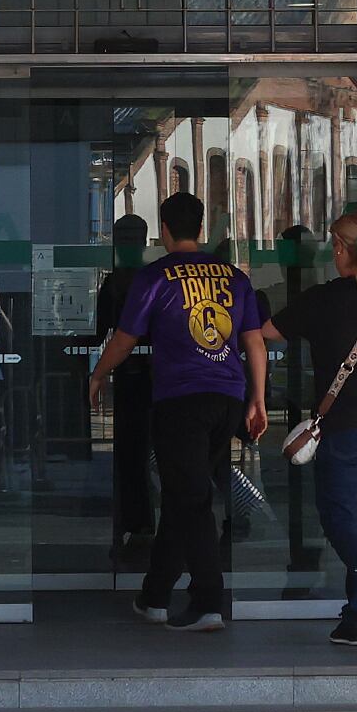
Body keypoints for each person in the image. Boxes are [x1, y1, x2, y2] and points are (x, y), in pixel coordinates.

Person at [87, 192, 266, 632]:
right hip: (227, 397)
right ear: (200, 229)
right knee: (183, 495)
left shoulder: (154, 277)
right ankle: (155, 595)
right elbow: (254, 342)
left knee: (191, 499)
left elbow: (125, 339)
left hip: (180, 400)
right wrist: (257, 399)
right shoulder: (232, 277)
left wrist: (97, 374)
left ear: (164, 230)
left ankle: (207, 601)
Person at [267, 209, 357, 648]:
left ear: (340, 249)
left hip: (349, 427)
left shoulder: (322, 299)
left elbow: (267, 333)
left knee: (336, 518)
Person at [94, 213, 156, 562]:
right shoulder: (142, 280)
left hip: (139, 378)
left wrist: (96, 371)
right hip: (143, 379)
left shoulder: (126, 282)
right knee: (137, 456)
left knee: (136, 456)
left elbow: (107, 332)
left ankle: (140, 524)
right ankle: (140, 524)